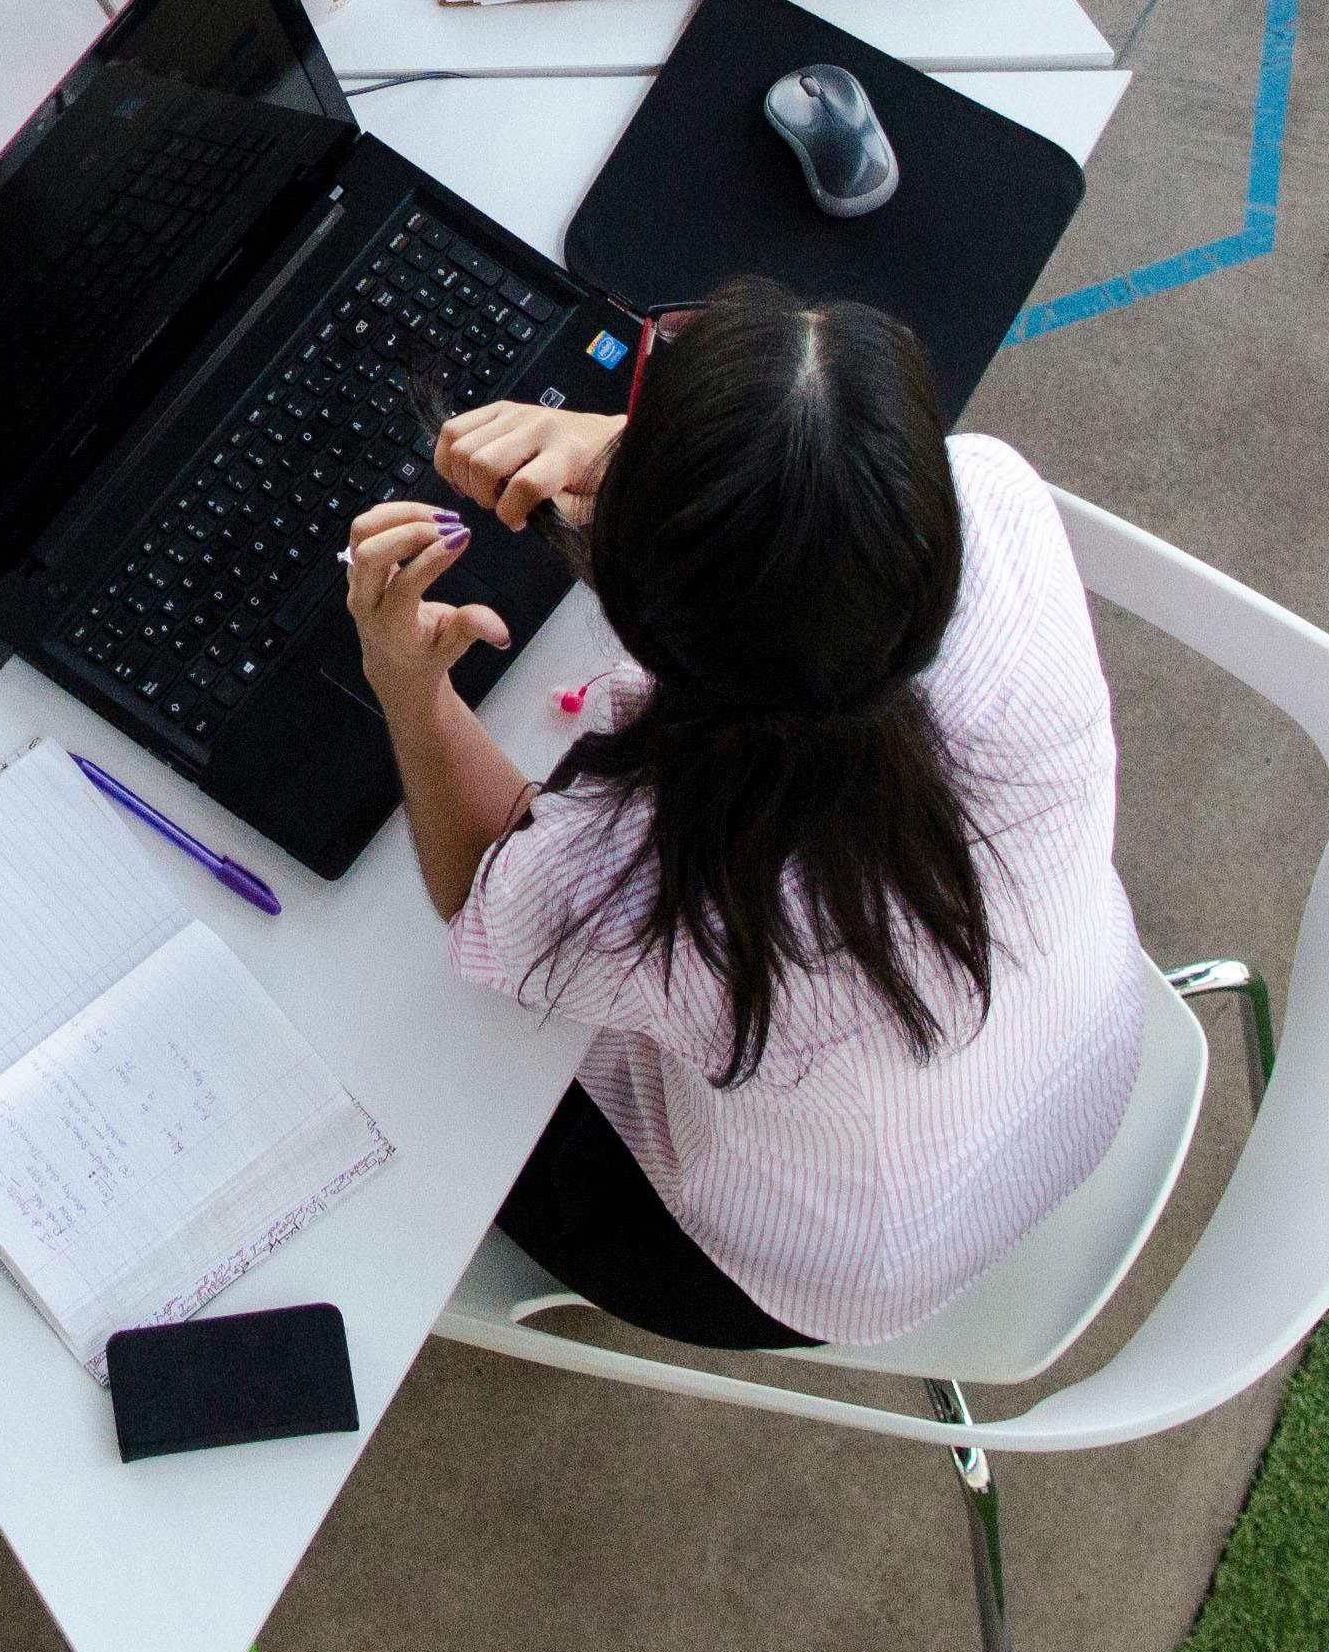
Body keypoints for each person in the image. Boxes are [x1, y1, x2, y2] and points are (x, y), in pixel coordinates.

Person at [342, 281, 1141, 1348]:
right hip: (1075, 1074)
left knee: (424, 1049)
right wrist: (651, 456)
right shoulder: (992, 502)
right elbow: (831, 529)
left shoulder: (638, 890)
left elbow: (482, 888)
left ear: (634, 610)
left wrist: (406, 683)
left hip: (803, 1266)